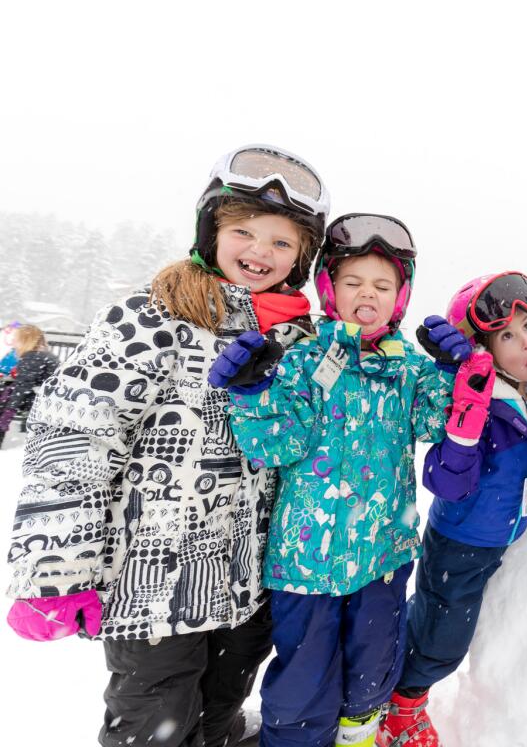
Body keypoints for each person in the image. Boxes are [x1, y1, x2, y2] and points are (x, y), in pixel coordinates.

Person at [5, 144, 327, 747]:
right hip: (153, 587)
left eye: (282, 243)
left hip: (250, 585)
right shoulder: (154, 316)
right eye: (244, 231)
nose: (260, 251)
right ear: (212, 229)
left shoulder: (298, 340)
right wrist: (56, 568)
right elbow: (74, 435)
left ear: (302, 258)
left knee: (221, 712)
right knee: (153, 729)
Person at [214, 213, 466, 747]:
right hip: (306, 560)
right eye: (353, 282)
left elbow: (435, 424)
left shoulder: (408, 368)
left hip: (383, 553)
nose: (366, 294)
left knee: (372, 673)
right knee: (303, 683)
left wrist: (450, 372)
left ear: (400, 298)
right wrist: (252, 393)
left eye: (382, 285)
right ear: (330, 289)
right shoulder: (304, 359)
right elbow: (276, 445)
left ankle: (358, 738)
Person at [376, 271, 527, 747]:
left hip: (502, 538)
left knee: (433, 617)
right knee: (445, 638)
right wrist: (467, 418)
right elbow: (445, 482)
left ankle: (384, 672)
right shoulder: (477, 398)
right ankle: (403, 705)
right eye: (507, 335)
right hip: (461, 540)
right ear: (482, 349)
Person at [0, 325, 59, 448]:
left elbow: (23, 387)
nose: (13, 342)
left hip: (41, 402)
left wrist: (8, 412)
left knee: (7, 394)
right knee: (8, 390)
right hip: (48, 399)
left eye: (16, 338)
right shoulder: (42, 354)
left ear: (25, 340)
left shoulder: (32, 356)